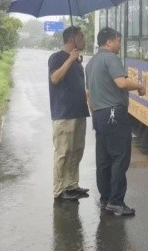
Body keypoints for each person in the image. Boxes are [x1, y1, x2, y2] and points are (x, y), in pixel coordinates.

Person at [85, 28, 146, 216]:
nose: (120, 45)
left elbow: (89, 94)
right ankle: (116, 201)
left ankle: (105, 199)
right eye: (118, 41)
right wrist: (140, 86)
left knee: (103, 159)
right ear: (109, 42)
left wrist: (95, 115)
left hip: (99, 114)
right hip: (114, 114)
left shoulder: (91, 63)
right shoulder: (111, 58)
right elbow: (121, 83)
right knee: (119, 157)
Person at [48, 26, 90, 201]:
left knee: (76, 151)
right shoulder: (56, 57)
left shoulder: (78, 61)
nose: (84, 40)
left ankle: (72, 185)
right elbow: (55, 78)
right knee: (63, 152)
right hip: (64, 114)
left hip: (79, 111)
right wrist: (70, 59)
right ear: (72, 39)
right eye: (82, 37)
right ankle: (59, 189)